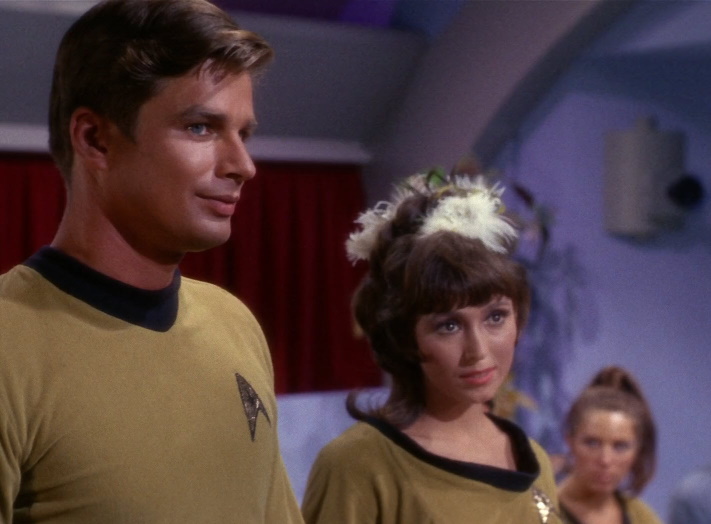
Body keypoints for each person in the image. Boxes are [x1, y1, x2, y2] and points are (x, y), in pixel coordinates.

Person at [0, 1, 303, 522]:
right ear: (95, 139)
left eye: (244, 134)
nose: (243, 165)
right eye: (201, 128)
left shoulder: (234, 322)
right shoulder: (10, 342)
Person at [301, 169, 563, 523]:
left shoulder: (534, 460)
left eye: (495, 317)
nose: (478, 350)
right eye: (449, 326)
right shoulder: (359, 465)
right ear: (404, 337)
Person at [557, 366, 661, 524]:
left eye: (620, 446)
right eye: (592, 443)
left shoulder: (641, 516)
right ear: (570, 442)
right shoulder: (539, 513)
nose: (605, 460)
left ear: (638, 450)